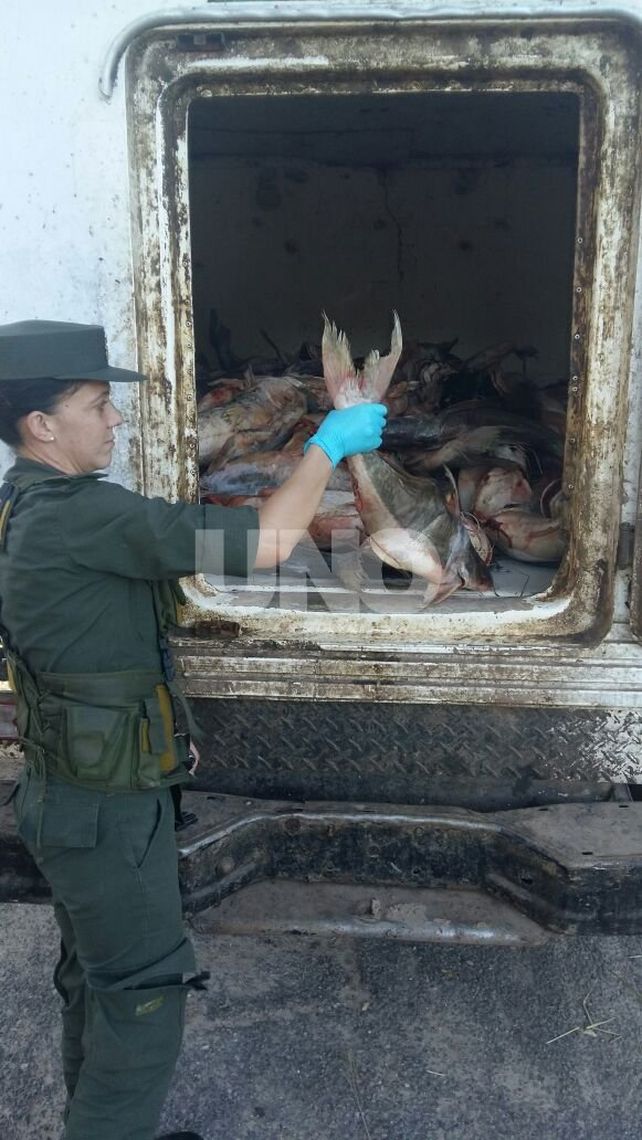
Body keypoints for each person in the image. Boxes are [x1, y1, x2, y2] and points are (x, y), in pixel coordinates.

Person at [0, 319, 387, 1140]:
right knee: (143, 1004)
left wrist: (164, 731)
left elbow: (94, 649)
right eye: (98, 405)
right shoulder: (83, 516)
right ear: (42, 426)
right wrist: (329, 441)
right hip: (103, 810)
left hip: (74, 794)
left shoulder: (22, 504)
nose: (115, 421)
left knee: (99, 983)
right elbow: (275, 541)